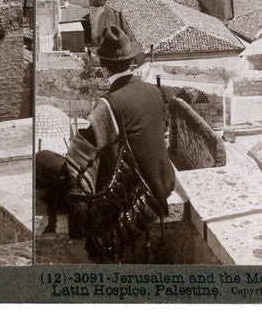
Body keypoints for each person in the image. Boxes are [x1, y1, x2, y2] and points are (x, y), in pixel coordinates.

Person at [36, 25, 176, 239]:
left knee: (43, 158)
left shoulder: (109, 103)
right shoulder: (154, 91)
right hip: (162, 185)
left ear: (104, 68)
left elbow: (82, 155)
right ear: (131, 61)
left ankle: (56, 220)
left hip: (131, 193)